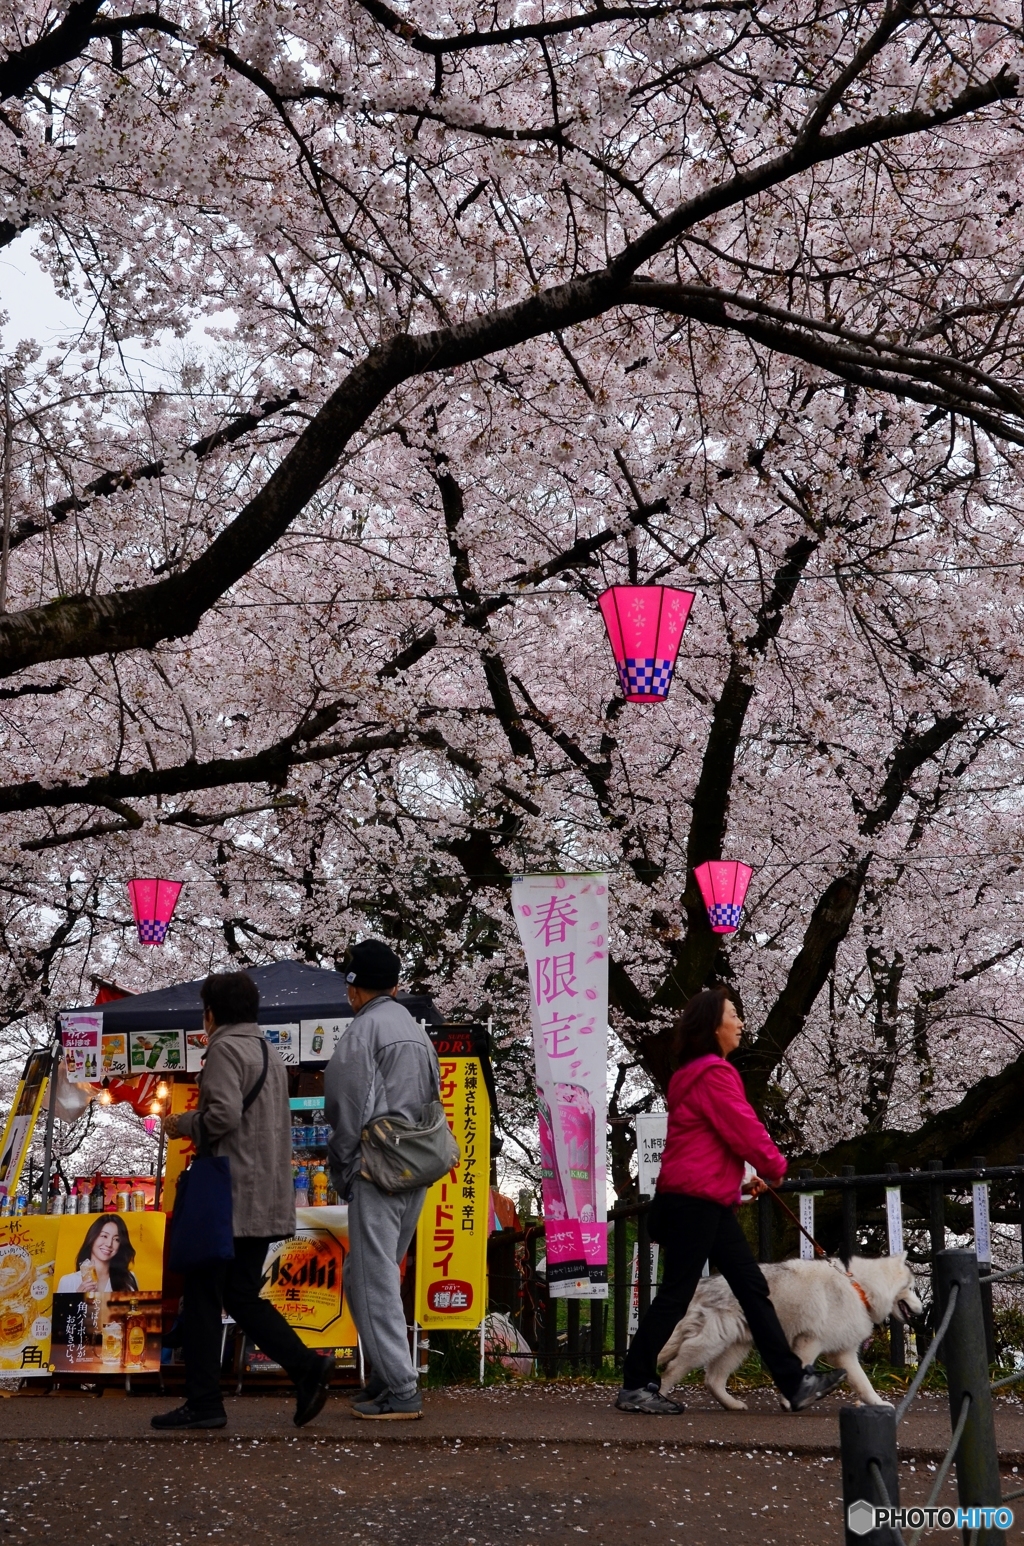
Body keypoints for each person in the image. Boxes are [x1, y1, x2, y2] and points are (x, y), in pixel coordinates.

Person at [616, 986, 846, 1415]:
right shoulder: (713, 1074)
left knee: (752, 1288)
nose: (740, 1022)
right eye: (733, 1014)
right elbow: (743, 1129)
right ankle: (635, 1383)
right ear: (712, 1026)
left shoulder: (690, 1075)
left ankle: (794, 1383)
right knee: (676, 1294)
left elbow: (702, 1146)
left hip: (699, 1199)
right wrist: (774, 1166)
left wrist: (739, 1184)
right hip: (696, 1203)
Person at [152, 970, 334, 1432]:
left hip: (228, 1198)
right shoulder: (268, 1051)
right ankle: (306, 1368)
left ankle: (205, 1402)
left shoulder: (223, 1051)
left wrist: (183, 1124)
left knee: (202, 1296)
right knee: (241, 1294)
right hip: (265, 1194)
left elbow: (223, 1117)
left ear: (210, 1013)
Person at [324, 938, 439, 1420]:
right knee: (371, 1274)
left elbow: (344, 1109)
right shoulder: (414, 1030)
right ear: (394, 984)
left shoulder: (363, 1031)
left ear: (353, 990)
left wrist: (344, 1167)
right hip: (417, 1164)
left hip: (378, 1165)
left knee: (372, 1279)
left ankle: (401, 1384)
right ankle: (386, 1375)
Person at [57, 1215, 138, 1293]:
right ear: (92, 1237)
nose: (109, 1244)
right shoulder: (67, 1282)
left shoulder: (129, 1279)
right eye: (104, 1236)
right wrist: (79, 1298)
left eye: (116, 1239)